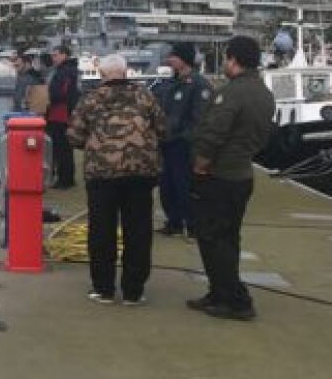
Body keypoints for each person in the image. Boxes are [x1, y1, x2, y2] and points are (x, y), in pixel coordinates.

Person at [187, 35, 275, 321]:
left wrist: (201, 164)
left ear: (234, 59)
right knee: (229, 237)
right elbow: (263, 136)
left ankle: (234, 299)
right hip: (242, 174)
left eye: (226, 58)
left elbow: (214, 132)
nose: (225, 63)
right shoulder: (264, 93)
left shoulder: (232, 92)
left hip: (219, 175)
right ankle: (219, 291)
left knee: (213, 238)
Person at [68, 54, 166, 305]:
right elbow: (163, 128)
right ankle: (134, 291)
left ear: (102, 75)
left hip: (102, 175)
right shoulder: (146, 96)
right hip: (140, 174)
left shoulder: (90, 99)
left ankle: (104, 289)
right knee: (139, 232)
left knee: (101, 232)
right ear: (126, 72)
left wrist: (96, 145)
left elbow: (74, 136)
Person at [156, 43, 213, 237]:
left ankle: (193, 224)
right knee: (167, 186)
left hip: (183, 145)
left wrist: (185, 138)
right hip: (166, 143)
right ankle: (174, 221)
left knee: (184, 186)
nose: (169, 59)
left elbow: (201, 119)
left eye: (174, 56)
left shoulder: (199, 85)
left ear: (183, 59)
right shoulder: (169, 84)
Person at [46, 45, 80, 188]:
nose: (53, 58)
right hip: (61, 113)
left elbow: (61, 93)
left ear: (64, 55)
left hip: (60, 114)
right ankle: (65, 178)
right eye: (52, 55)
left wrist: (47, 97)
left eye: (56, 55)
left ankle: (65, 180)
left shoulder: (65, 72)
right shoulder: (67, 70)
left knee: (62, 148)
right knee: (62, 148)